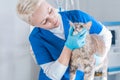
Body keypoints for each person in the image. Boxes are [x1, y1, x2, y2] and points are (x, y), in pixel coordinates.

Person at [16, 0, 112, 80]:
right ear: (35, 25)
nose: (53, 19)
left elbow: (106, 35)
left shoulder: (77, 16)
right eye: (45, 21)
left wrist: (100, 58)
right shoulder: (36, 38)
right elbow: (53, 75)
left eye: (50, 11)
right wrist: (68, 47)